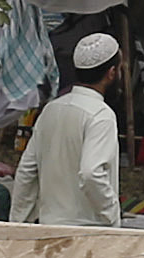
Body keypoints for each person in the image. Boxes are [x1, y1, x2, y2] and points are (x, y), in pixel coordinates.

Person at [10, 32, 122, 227]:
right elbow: (91, 173)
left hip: (48, 227)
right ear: (111, 73)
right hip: (89, 232)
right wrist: (112, 214)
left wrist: (19, 222)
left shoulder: (52, 109)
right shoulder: (101, 115)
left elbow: (27, 170)